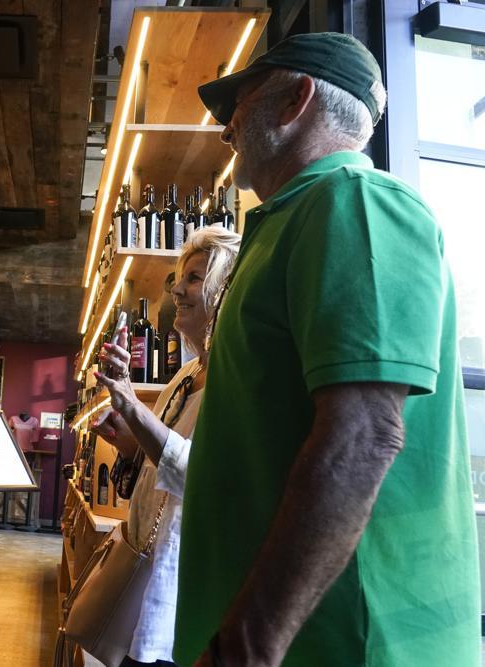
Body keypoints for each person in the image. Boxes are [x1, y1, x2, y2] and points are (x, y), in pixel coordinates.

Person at [173, 33, 480, 666]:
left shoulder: (355, 204)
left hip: (342, 642)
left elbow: (365, 434)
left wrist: (245, 647)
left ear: (295, 102)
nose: (226, 126)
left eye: (239, 102)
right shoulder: (291, 221)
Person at [92, 227, 240, 667]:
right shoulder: (186, 375)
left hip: (178, 596)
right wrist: (129, 442)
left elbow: (206, 481)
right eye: (179, 277)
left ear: (224, 288)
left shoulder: (237, 383)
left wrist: (133, 407)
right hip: (144, 580)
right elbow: (159, 469)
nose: (178, 288)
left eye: (194, 278)